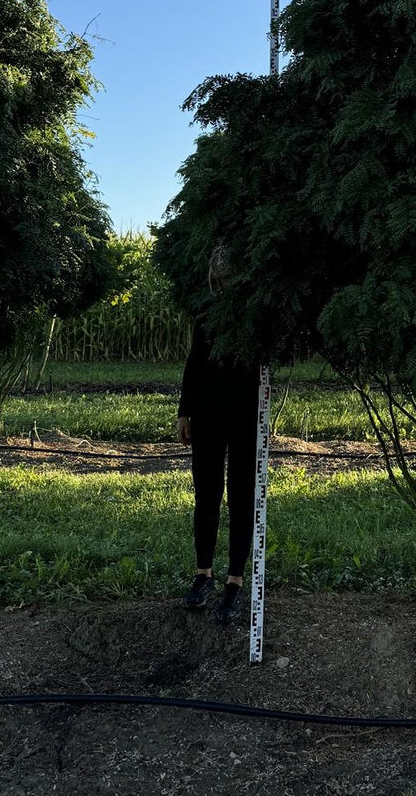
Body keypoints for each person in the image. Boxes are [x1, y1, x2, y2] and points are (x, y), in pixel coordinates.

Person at [177, 249, 262, 625]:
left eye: (230, 280)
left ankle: (235, 581)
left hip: (245, 417)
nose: (224, 286)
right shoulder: (206, 314)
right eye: (219, 280)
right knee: (206, 495)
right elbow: (194, 362)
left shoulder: (256, 316)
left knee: (241, 496)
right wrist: (185, 410)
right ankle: (203, 574)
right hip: (207, 415)